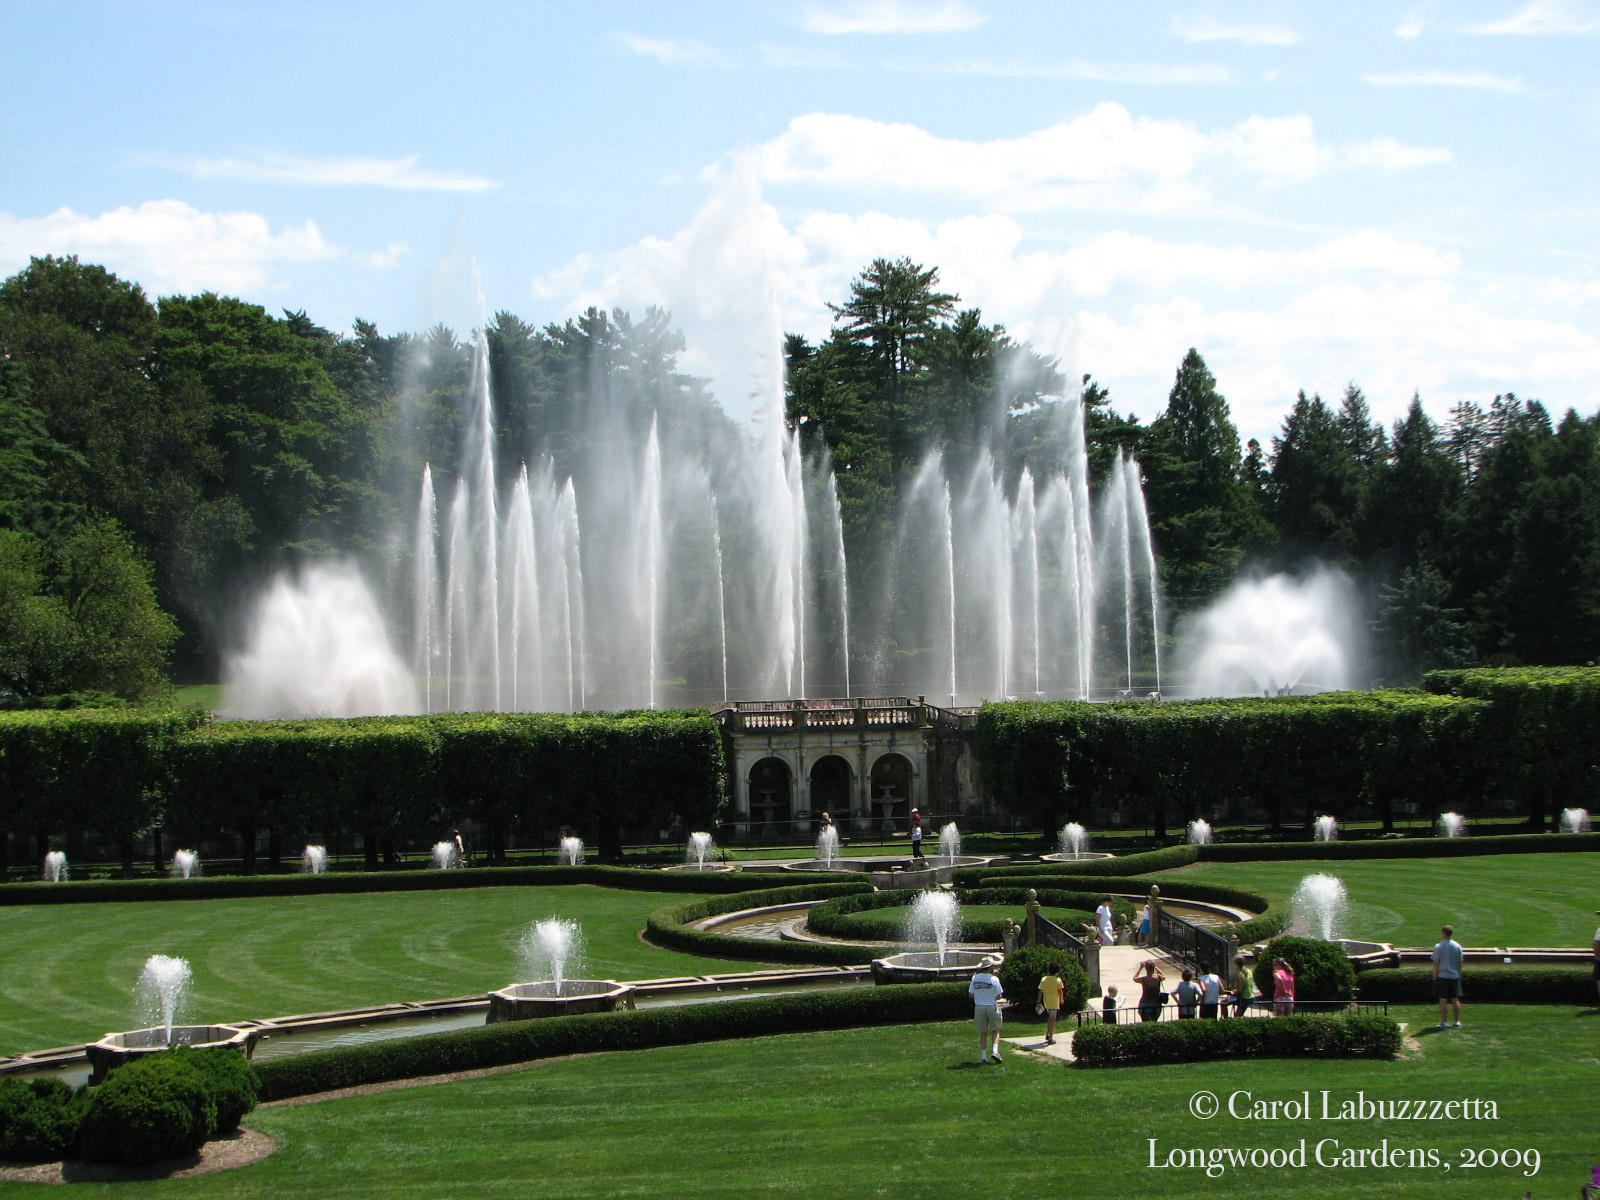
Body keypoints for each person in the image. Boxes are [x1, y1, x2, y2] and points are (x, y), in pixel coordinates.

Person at [969, 962, 1004, 1063]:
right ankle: (995, 1051)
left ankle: (983, 1057)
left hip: (979, 1007)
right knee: (996, 1029)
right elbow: (999, 995)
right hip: (991, 1006)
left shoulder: (975, 978)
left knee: (983, 1032)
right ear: (990, 967)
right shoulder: (994, 979)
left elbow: (971, 995)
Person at [1432, 924, 1464, 1028]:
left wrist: (1435, 976)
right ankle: (1456, 1021)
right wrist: (1458, 974)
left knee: (1443, 1000)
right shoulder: (1457, 946)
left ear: (1444, 933)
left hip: (1443, 976)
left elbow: (1436, 963)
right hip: (1454, 976)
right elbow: (1460, 963)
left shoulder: (1439, 946)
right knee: (1455, 999)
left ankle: (1445, 1022)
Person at [1037, 962, 1065, 1044]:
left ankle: (1048, 1033)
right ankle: (1050, 1038)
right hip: (1054, 1002)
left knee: (1050, 1018)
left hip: (1046, 1001)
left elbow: (1040, 991)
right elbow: (1060, 991)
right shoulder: (1058, 980)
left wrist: (1038, 1001)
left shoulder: (1044, 979)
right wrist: (1062, 999)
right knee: (1053, 1019)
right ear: (1057, 972)